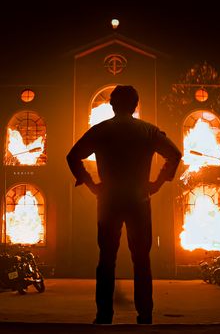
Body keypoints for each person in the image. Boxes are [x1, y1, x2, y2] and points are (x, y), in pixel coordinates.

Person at [66, 85, 182, 325]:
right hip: (139, 199)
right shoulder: (148, 131)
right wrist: (158, 183)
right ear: (135, 105)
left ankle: (104, 315)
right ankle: (145, 314)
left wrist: (90, 184)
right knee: (142, 258)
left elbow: (73, 156)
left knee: (106, 258)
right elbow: (175, 154)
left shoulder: (100, 130)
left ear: (112, 104)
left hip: (108, 200)